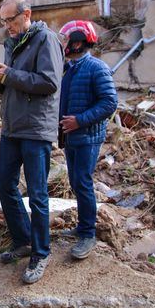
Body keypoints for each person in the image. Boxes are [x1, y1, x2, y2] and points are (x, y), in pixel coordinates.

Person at [0, 0, 64, 284]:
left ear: (27, 14)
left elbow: (49, 83)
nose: (7, 27)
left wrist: (9, 75)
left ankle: (41, 253)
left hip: (36, 128)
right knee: (4, 184)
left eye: (11, 20)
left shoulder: (46, 40)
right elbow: (12, 87)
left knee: (38, 195)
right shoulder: (12, 44)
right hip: (12, 126)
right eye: (4, 22)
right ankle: (23, 240)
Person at [57, 20, 118, 259]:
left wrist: (80, 120)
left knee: (82, 183)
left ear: (79, 42)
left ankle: (88, 234)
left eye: (66, 40)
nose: (64, 45)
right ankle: (82, 227)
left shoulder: (97, 68)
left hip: (87, 137)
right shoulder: (70, 68)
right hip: (72, 137)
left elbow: (109, 102)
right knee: (75, 182)